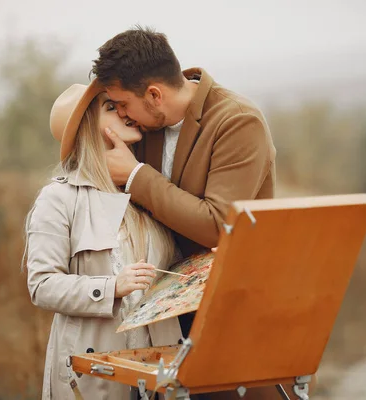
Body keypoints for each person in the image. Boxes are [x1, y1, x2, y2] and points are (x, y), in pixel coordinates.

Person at [91, 26, 283, 399]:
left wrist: (134, 176)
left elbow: (218, 226)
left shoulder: (238, 121)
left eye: (123, 105)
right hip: (161, 307)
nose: (123, 116)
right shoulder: (144, 126)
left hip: (230, 310)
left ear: (154, 94)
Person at [24, 80, 182, 400]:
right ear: (86, 128)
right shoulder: (58, 199)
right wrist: (111, 287)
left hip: (158, 375)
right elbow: (41, 285)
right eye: (111, 108)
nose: (125, 112)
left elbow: (174, 270)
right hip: (93, 376)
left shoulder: (146, 189)